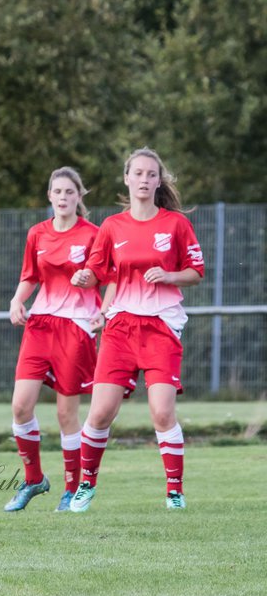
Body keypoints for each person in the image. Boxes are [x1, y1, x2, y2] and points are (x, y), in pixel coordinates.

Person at [68, 148, 204, 511]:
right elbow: (96, 272)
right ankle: (86, 485)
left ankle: (175, 491)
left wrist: (170, 275)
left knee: (161, 413)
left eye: (151, 174)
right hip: (121, 327)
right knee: (99, 414)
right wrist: (84, 278)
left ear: (159, 181)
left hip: (161, 326)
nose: (144, 180)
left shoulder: (175, 224)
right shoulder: (112, 226)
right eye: (138, 173)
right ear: (126, 178)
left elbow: (196, 272)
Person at [3, 167, 107, 513]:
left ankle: (72, 488)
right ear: (49, 196)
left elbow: (108, 278)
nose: (62, 198)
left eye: (69, 192)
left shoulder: (93, 235)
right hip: (40, 324)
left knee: (66, 414)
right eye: (57, 192)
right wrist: (18, 300)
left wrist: (98, 300)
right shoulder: (37, 233)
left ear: (79, 196)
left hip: (75, 328)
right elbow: (29, 276)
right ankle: (34, 479)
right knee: (20, 406)